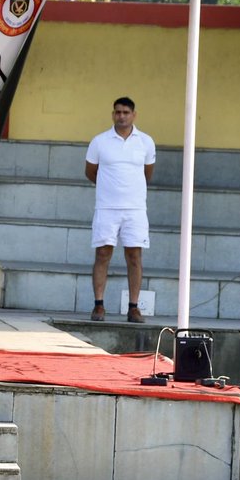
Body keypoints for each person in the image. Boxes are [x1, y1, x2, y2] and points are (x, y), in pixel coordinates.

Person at [84, 97, 156, 323]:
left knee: (134, 256)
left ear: (134, 114)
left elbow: (147, 174)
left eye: (126, 112)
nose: (121, 116)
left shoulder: (145, 142)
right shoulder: (99, 141)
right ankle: (99, 305)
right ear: (112, 114)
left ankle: (134, 307)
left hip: (135, 209)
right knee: (103, 254)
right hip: (107, 208)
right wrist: (110, 189)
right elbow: (90, 171)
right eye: (117, 112)